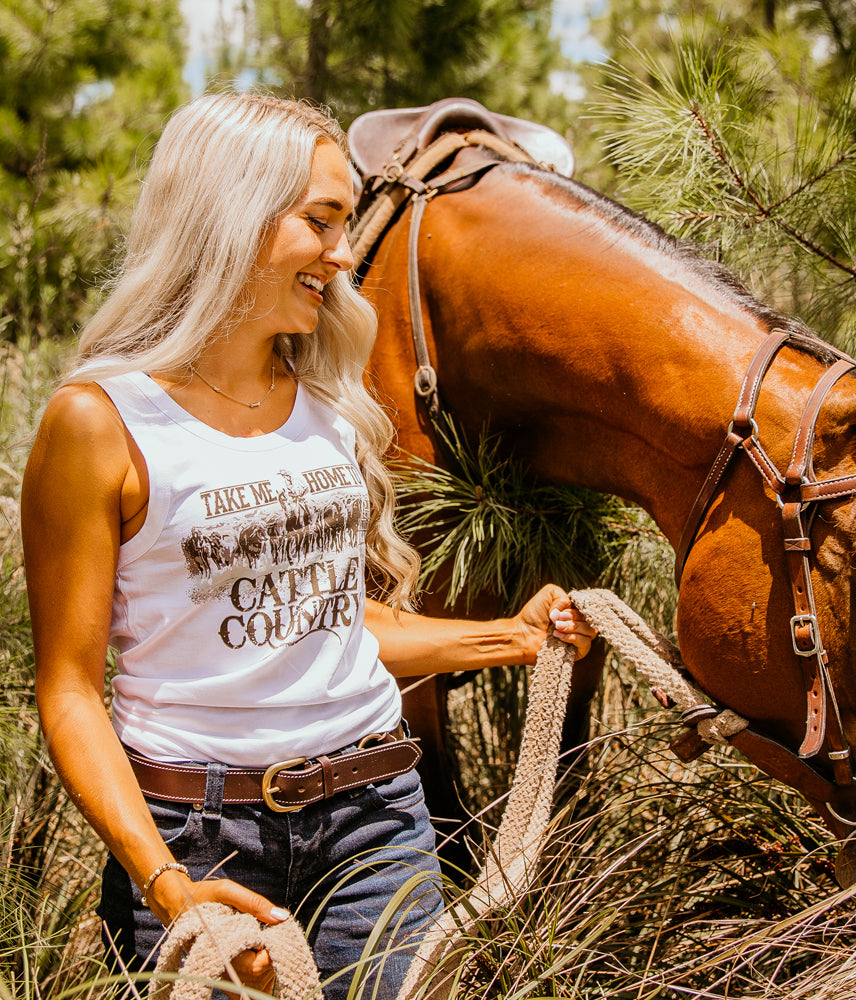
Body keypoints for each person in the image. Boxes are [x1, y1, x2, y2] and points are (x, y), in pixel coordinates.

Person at [21, 91, 595, 999]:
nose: (342, 251)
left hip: (379, 820)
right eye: (321, 221)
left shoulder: (327, 403)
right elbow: (69, 692)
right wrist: (169, 889)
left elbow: (330, 625)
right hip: (197, 838)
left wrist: (512, 640)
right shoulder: (99, 423)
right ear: (231, 215)